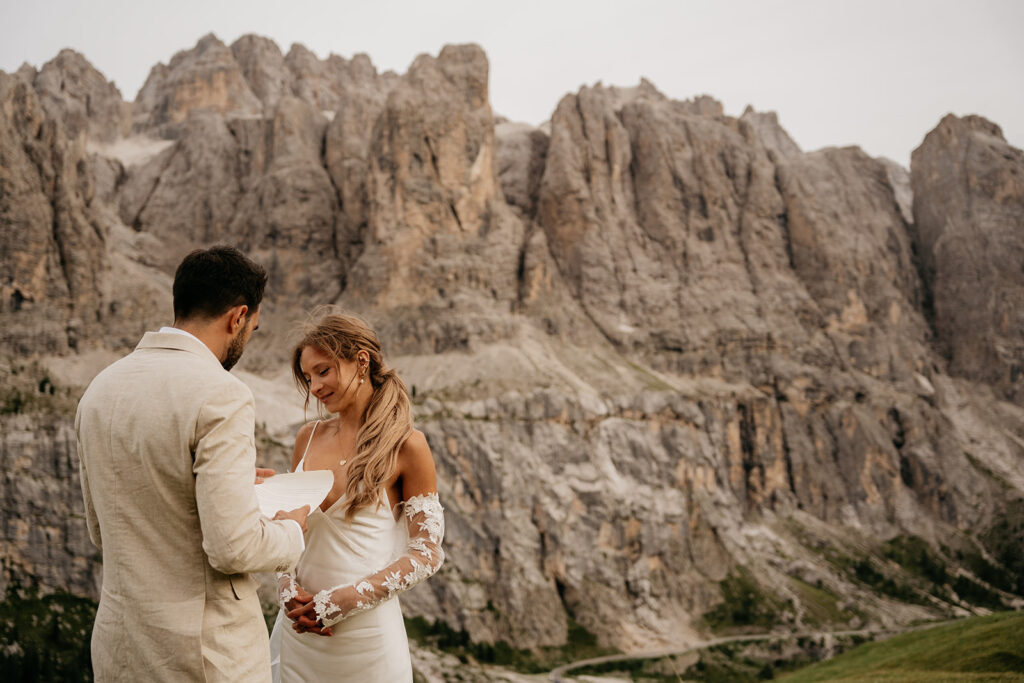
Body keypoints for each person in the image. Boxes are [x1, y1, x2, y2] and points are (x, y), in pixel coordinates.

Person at [75, 246, 311, 682]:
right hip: (204, 654)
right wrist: (293, 528)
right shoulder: (221, 393)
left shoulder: (99, 389)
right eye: (253, 328)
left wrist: (233, 488)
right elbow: (233, 548)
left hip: (118, 647)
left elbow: (102, 527)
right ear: (238, 317)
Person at [270, 311, 445, 682]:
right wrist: (286, 588)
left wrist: (348, 599)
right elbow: (289, 527)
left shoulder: (408, 446)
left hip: (367, 641)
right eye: (307, 377)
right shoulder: (308, 438)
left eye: (323, 371)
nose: (314, 386)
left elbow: (427, 552)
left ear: (361, 360)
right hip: (299, 637)